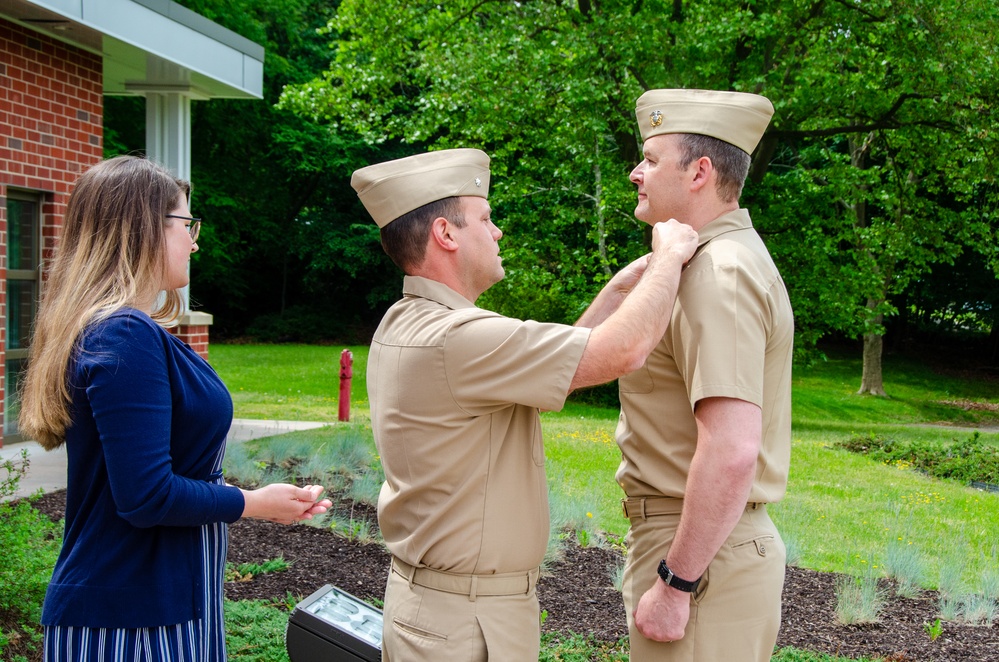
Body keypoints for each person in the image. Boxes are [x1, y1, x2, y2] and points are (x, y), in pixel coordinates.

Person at [350, 148, 699, 661]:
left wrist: (623, 287)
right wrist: (670, 255)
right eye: (486, 220)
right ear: (446, 234)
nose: (498, 234)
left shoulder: (414, 321)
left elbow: (561, 364)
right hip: (466, 619)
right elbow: (621, 352)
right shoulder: (457, 338)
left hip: (450, 609)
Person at [17, 155, 332, 662]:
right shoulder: (124, 335)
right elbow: (146, 496)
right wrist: (254, 503)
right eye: (187, 224)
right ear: (143, 229)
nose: (195, 240)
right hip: (130, 621)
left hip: (158, 603)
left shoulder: (132, 332)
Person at [616, 89, 794, 661]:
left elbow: (732, 448)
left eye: (649, 159)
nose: (634, 173)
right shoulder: (709, 261)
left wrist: (676, 583)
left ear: (699, 172)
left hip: (699, 559)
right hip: (699, 547)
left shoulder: (719, 274)